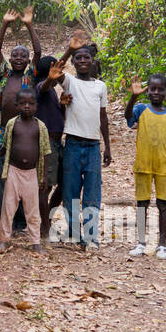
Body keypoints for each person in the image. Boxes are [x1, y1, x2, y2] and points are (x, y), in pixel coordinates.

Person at [40, 36, 111, 250]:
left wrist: (107, 145)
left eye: (85, 57)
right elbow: (58, 70)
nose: (81, 61)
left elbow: (103, 117)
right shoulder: (70, 81)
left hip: (92, 147)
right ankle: (72, 232)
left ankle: (90, 236)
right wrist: (70, 50)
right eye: (77, 58)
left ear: (92, 61)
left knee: (92, 193)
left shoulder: (101, 86)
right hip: (72, 144)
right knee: (70, 192)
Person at [0, 7, 42, 234]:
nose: (19, 59)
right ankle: (7, 220)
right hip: (3, 130)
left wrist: (30, 25)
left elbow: (39, 53)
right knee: (5, 175)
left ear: (27, 60)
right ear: (10, 60)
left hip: (25, 131)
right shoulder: (4, 74)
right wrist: (5, 24)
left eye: (23, 56)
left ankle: (22, 222)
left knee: (24, 173)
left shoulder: (29, 76)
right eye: (15, 56)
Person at [124, 73, 166, 259]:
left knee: (163, 204)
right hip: (143, 164)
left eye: (160, 89)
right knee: (142, 203)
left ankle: (162, 244)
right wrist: (133, 97)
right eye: (152, 89)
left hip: (164, 165)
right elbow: (128, 118)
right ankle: (141, 242)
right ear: (147, 91)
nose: (156, 92)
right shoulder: (141, 109)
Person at [0, 86, 50, 253]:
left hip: (32, 173)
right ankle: (4, 240)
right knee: (8, 207)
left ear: (36, 106)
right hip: (14, 171)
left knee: (33, 209)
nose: (27, 106)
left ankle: (35, 242)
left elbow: (46, 151)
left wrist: (44, 177)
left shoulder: (40, 127)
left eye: (31, 103)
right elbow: (5, 147)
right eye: (23, 103)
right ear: (16, 105)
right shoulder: (12, 124)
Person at [33, 55, 66, 243]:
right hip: (47, 146)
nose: (60, 75)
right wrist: (49, 79)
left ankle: (46, 221)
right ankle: (44, 229)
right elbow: (44, 86)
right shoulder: (41, 87)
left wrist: (62, 107)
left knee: (63, 184)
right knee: (45, 187)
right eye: (56, 71)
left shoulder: (53, 92)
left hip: (58, 143)